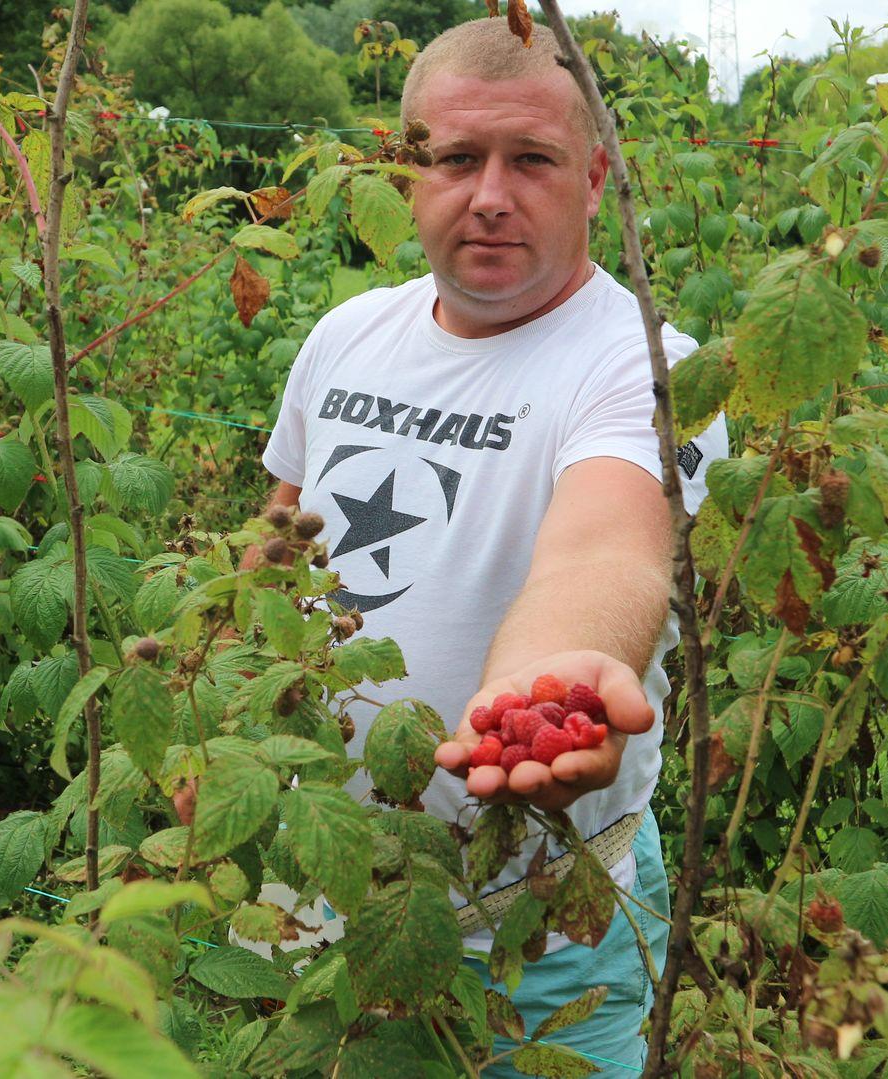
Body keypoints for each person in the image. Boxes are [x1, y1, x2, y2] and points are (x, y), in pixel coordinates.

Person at [259, 16, 727, 1074]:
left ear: (597, 175)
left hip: (541, 924)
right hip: (318, 883)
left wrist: (551, 682)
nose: (490, 195)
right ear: (406, 166)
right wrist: (225, 715)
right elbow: (276, 542)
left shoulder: (644, 365)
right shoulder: (345, 336)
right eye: (457, 158)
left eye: (533, 159)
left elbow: (605, 551)